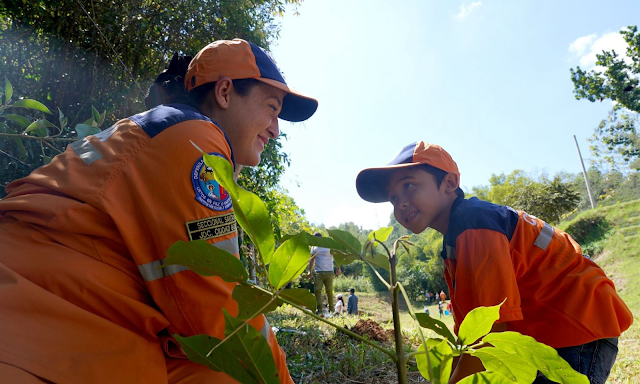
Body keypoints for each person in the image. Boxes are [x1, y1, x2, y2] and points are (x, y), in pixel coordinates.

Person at [0, 39, 318, 384]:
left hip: (63, 316)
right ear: (225, 92)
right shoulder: (195, 139)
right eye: (271, 108)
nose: (275, 128)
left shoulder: (158, 129)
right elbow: (218, 310)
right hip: (37, 327)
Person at [355, 141, 633, 384]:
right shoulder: (455, 242)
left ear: (449, 183)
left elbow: (489, 333)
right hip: (557, 330)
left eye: (409, 185)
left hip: (576, 327)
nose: (400, 203)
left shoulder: (473, 223)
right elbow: (470, 334)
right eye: (393, 198)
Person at [307, 232, 341, 315]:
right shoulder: (314, 247)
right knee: (317, 290)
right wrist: (310, 271)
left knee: (329, 291)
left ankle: (331, 310)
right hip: (318, 272)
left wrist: (338, 268)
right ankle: (319, 309)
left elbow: (337, 256)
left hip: (329, 271)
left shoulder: (328, 245)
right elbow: (312, 259)